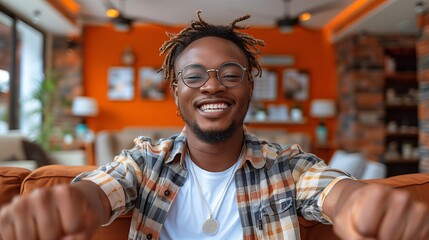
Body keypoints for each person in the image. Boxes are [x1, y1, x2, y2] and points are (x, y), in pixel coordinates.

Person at [1, 11, 428, 240]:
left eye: (229, 73)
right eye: (194, 75)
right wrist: (71, 206)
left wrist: (360, 204)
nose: (212, 86)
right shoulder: (143, 163)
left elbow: (333, 190)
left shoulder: (289, 167)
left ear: (248, 87)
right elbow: (99, 193)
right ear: (176, 91)